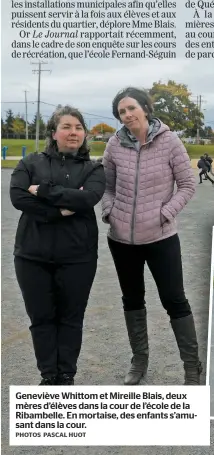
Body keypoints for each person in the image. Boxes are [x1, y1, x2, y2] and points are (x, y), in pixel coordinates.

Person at [102, 87, 202, 386]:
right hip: (121, 239)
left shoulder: (170, 141)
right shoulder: (114, 144)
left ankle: (192, 367)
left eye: (132, 108)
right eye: (122, 112)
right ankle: (140, 360)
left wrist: (164, 214)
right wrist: (110, 211)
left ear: (145, 108)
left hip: (161, 238)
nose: (127, 115)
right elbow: (106, 186)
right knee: (132, 299)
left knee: (175, 300)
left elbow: (187, 184)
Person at [10, 105, 106, 385]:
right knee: (41, 318)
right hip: (32, 255)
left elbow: (88, 198)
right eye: (66, 127)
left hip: (78, 256)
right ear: (54, 133)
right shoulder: (30, 163)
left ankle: (66, 375)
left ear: (84, 133)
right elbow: (18, 196)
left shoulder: (93, 168)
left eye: (78, 127)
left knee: (71, 318)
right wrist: (58, 210)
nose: (73, 132)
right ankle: (48, 375)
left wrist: (42, 191)